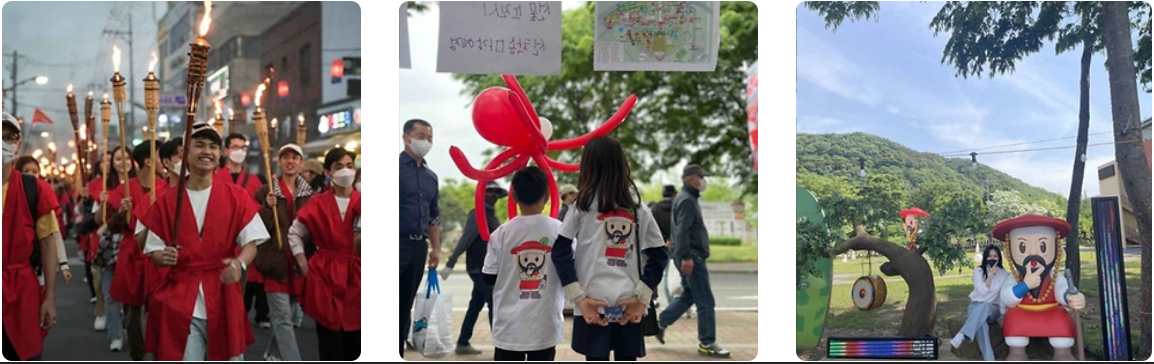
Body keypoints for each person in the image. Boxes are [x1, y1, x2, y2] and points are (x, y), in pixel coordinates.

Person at [139, 123, 265, 361]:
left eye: (213, 146)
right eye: (199, 145)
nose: (207, 151)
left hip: (223, 296)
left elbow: (251, 242)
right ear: (185, 153)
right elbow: (152, 249)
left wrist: (239, 264)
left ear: (219, 155)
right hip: (181, 297)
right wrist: (162, 255)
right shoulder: (166, 201)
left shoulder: (236, 196)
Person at [550, 136, 668, 361]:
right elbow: (658, 255)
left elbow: (560, 252)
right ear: (621, 164)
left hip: (591, 306)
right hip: (629, 305)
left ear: (588, 166)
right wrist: (641, 298)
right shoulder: (637, 207)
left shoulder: (580, 207)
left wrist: (580, 298)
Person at [481, 167, 564, 361]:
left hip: (509, 327)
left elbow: (488, 277)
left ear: (514, 196)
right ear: (547, 196)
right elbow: (572, 268)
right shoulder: (560, 231)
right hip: (545, 325)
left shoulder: (501, 233)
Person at [290, 147, 361, 361]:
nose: (345, 171)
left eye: (349, 166)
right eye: (338, 167)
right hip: (324, 274)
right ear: (328, 173)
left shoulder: (365, 201)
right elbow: (294, 233)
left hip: (357, 275)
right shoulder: (317, 202)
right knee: (329, 340)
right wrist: (303, 263)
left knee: (355, 338)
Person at [655, 164, 731, 358]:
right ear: (691, 180)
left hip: (689, 254)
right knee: (705, 300)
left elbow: (678, 229)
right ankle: (707, 342)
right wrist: (687, 257)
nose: (703, 181)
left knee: (689, 295)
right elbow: (682, 230)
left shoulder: (684, 199)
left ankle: (660, 323)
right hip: (692, 256)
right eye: (701, 177)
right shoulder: (688, 200)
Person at [2, 113, 60, 361]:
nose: (3, 143)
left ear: (17, 143)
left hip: (22, 288)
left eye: (8, 137)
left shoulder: (34, 188)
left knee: (23, 353)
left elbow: (48, 244)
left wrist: (48, 298)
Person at [106, 143, 169, 359]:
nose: (165, 162)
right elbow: (112, 227)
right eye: (162, 157)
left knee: (160, 307)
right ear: (148, 161)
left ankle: (161, 353)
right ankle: (137, 354)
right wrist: (120, 213)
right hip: (131, 254)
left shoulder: (166, 187)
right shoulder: (124, 190)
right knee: (132, 312)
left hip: (158, 254)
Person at [994, 215, 1086, 361]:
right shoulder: (1014, 276)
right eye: (1022, 247)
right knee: (1016, 338)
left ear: (1059, 253)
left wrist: (1071, 297)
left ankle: (1063, 355)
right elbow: (1007, 297)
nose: (1033, 255)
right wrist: (1025, 285)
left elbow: (1062, 290)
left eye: (1042, 246)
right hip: (1021, 314)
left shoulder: (1054, 276)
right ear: (1008, 254)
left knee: (1061, 334)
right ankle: (1017, 354)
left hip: (1052, 313)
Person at [254, 144, 314, 361]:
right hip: (275, 261)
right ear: (279, 162)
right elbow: (257, 227)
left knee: (286, 316)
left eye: (295, 157)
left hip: (298, 262)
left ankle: (272, 354)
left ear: (301, 162)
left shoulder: (310, 194)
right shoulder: (265, 190)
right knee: (282, 319)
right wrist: (267, 208)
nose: (290, 161)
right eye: (285, 157)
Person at [443, 180, 507, 355]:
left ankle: (463, 342)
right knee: (494, 302)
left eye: (495, 192)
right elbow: (466, 238)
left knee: (475, 305)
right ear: (481, 193)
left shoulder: (491, 214)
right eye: (489, 191)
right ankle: (501, 346)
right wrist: (451, 262)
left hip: (488, 266)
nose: (493, 195)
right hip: (478, 266)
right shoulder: (477, 213)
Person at [215, 134, 270, 328]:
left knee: (244, 288)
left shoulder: (255, 180)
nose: (239, 151)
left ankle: (240, 322)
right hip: (222, 241)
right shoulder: (215, 178)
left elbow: (259, 212)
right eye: (235, 147)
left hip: (247, 241)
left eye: (242, 147)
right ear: (226, 151)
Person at [399, 119, 441, 358]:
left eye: (429, 137)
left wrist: (436, 248)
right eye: (421, 135)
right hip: (396, 242)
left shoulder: (431, 177)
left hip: (419, 246)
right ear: (406, 137)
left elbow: (434, 215)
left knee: (406, 306)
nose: (426, 141)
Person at [92, 145, 137, 352]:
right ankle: (116, 335)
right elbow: (97, 219)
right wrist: (103, 203)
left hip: (133, 244)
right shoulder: (106, 187)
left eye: (126, 158)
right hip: (111, 244)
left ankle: (130, 327)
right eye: (118, 159)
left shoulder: (141, 184)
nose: (123, 162)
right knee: (110, 294)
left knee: (132, 293)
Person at [15, 156, 73, 288]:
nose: (31, 175)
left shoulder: (43, 196)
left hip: (38, 263)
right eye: (26, 171)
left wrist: (63, 264)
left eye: (34, 171)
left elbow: (54, 234)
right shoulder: (11, 195)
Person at [951, 244, 1008, 361]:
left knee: (986, 305)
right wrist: (990, 275)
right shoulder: (978, 271)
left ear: (999, 258)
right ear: (985, 257)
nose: (992, 258)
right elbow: (982, 292)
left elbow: (1002, 297)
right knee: (982, 325)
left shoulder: (1003, 274)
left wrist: (1002, 315)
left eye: (995, 256)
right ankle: (989, 359)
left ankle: (962, 334)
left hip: (993, 309)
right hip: (975, 306)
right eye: (990, 256)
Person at [651, 184, 691, 316]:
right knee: (681, 274)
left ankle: (670, 305)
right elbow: (682, 226)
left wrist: (664, 240)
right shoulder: (678, 206)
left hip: (661, 245)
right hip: (678, 245)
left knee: (666, 276)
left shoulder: (655, 209)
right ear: (674, 194)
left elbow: (653, 228)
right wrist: (672, 239)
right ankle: (682, 306)